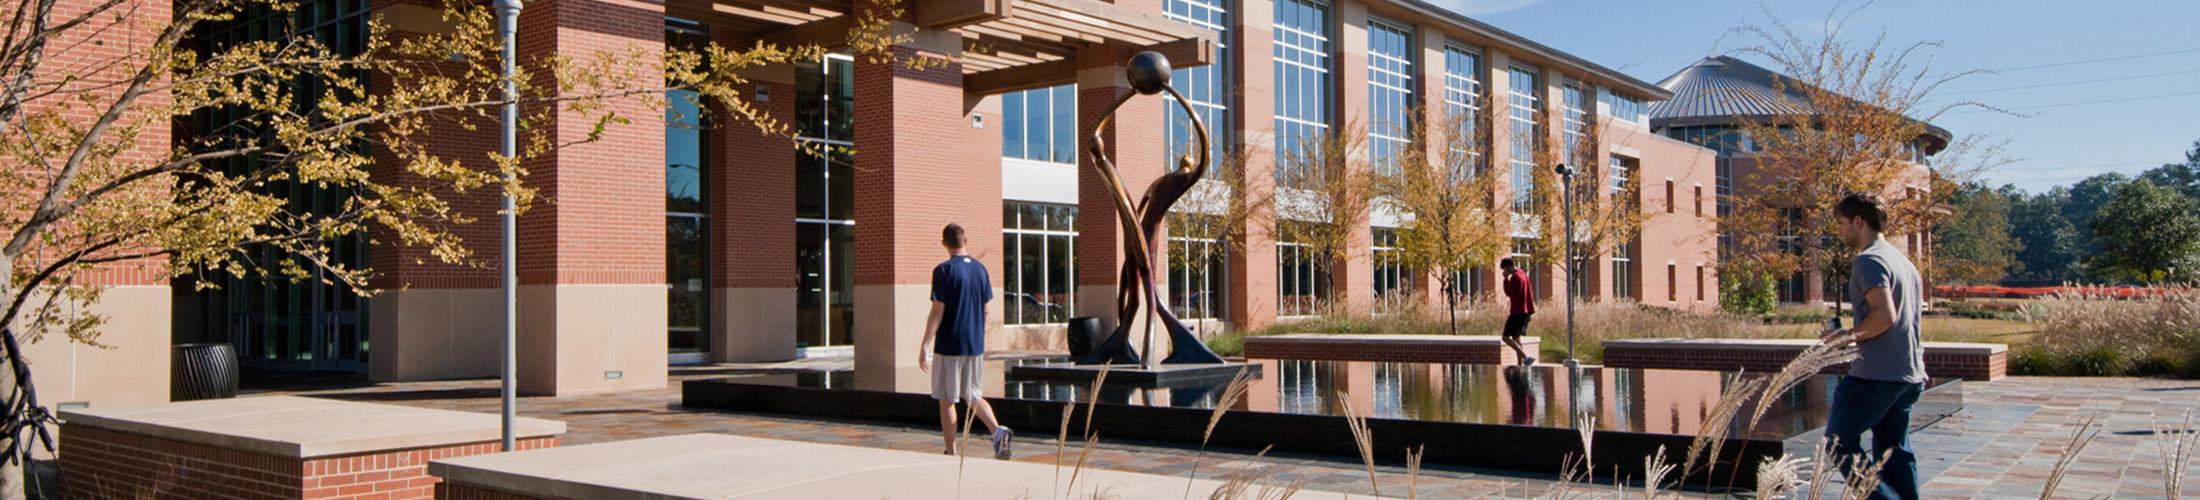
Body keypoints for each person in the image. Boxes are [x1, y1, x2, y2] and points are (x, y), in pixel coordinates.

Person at [1819, 193, 1926, 500]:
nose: (1839, 231)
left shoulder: (1869, 260)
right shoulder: (1903, 262)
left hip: (1875, 375)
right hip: (1908, 374)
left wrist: (1847, 337)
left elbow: (1884, 316)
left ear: (1858, 221)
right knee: (1893, 454)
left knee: (1839, 444)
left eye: (1841, 224)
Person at [919, 223, 1013, 459]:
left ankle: (951, 451)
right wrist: (978, 338)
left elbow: (937, 311)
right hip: (974, 343)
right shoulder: (981, 270)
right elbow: (986, 311)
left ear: (944, 243)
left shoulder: (943, 271)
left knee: (946, 398)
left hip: (949, 344)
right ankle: (997, 431)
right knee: (972, 394)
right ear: (965, 241)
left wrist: (925, 344)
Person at [1499, 258, 1537, 366]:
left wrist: (1506, 279)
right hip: (1525, 311)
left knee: (1505, 337)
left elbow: (1509, 292)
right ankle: (1520, 363)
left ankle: (1525, 357)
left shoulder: (1516, 277)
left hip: (1517, 311)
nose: (1504, 272)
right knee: (1516, 338)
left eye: (1505, 270)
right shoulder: (1523, 274)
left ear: (1509, 267)